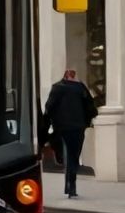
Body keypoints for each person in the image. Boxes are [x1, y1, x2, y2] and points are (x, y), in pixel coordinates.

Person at [41, 69, 97, 199]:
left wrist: (47, 125)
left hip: (63, 127)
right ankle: (71, 184)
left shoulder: (57, 88)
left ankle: (70, 184)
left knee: (68, 154)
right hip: (78, 126)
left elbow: (49, 107)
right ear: (73, 77)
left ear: (64, 77)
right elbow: (90, 106)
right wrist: (87, 121)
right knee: (74, 155)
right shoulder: (81, 88)